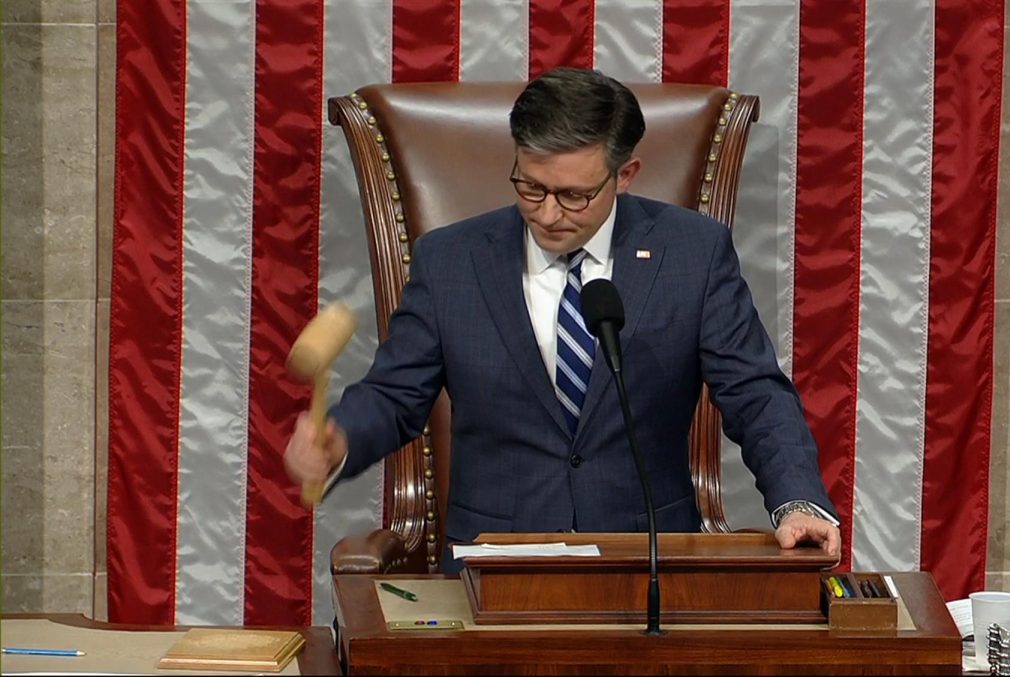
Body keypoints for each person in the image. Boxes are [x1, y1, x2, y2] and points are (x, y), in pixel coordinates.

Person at [284, 66, 841, 571]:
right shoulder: (453, 260)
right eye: (530, 187)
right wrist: (339, 440)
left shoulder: (691, 253)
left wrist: (797, 501)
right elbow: (394, 394)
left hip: (646, 563)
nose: (549, 214)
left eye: (575, 195)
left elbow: (755, 392)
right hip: (495, 566)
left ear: (625, 175)